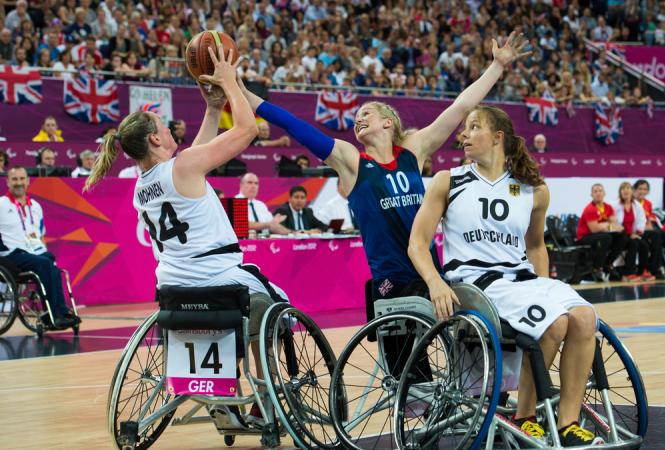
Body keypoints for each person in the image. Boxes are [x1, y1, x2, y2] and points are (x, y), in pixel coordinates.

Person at [239, 31, 529, 299]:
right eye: (356, 118)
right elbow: (295, 125)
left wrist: (497, 67)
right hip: (391, 280)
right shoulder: (351, 161)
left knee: (459, 344)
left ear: (388, 122)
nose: (358, 119)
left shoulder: (412, 150)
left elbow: (460, 108)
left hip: (429, 271)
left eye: (366, 114)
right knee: (406, 356)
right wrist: (244, 95)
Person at [83, 44, 281, 427]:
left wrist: (211, 107)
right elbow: (247, 130)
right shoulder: (184, 167)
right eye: (164, 128)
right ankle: (265, 401)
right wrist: (231, 84)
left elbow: (196, 156)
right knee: (270, 310)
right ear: (155, 140)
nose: (171, 131)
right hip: (218, 279)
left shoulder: (143, 186)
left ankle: (221, 400)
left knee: (238, 311)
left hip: (175, 287)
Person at [408, 106, 603, 446]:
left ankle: (568, 422)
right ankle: (525, 416)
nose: (463, 135)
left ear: (497, 137)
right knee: (554, 322)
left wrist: (542, 288)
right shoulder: (448, 180)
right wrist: (435, 282)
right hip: (475, 285)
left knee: (585, 317)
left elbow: (536, 246)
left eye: (473, 127)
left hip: (520, 282)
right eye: (464, 129)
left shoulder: (532, 189)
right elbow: (417, 244)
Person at [0, 167, 79, 328]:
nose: (19, 183)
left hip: (34, 252)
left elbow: (40, 234)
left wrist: (43, 251)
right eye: (14, 179)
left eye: (22, 179)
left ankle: (61, 312)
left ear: (28, 181)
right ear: (7, 182)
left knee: (51, 263)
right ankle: (54, 315)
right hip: (12, 254)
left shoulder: (35, 206)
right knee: (44, 263)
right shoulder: (1, 204)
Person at [575, 184, 631, 282]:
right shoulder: (590, 209)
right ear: (591, 194)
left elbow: (615, 225)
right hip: (584, 237)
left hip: (601, 235)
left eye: (600, 191)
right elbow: (594, 229)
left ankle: (608, 263)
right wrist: (608, 224)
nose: (598, 193)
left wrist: (605, 225)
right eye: (595, 191)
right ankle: (597, 268)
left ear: (604, 193)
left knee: (622, 235)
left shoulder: (608, 207)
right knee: (606, 237)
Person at [633, 179, 665, 278]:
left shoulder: (648, 203)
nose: (642, 191)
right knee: (656, 235)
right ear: (634, 190)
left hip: (647, 229)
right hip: (636, 230)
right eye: (640, 189)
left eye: (645, 189)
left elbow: (648, 220)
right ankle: (655, 268)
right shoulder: (632, 203)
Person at [614, 182, 655, 281]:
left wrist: (638, 233)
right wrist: (627, 234)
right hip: (620, 236)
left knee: (643, 245)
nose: (626, 190)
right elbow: (614, 223)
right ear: (620, 192)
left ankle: (642, 271)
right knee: (633, 244)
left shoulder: (636, 205)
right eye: (623, 188)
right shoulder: (615, 205)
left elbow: (642, 220)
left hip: (632, 234)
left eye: (628, 188)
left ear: (632, 191)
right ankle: (629, 273)